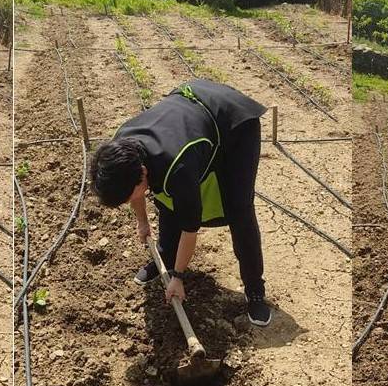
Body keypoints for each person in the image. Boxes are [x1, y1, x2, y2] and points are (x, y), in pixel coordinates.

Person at [91, 79, 272, 326]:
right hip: (191, 110)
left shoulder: (179, 167)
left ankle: (255, 290)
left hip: (234, 122)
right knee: (166, 199)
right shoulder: (121, 146)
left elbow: (190, 228)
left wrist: (178, 277)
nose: (130, 200)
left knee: (239, 209)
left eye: (128, 196)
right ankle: (165, 254)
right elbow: (137, 193)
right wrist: (142, 223)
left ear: (142, 172)